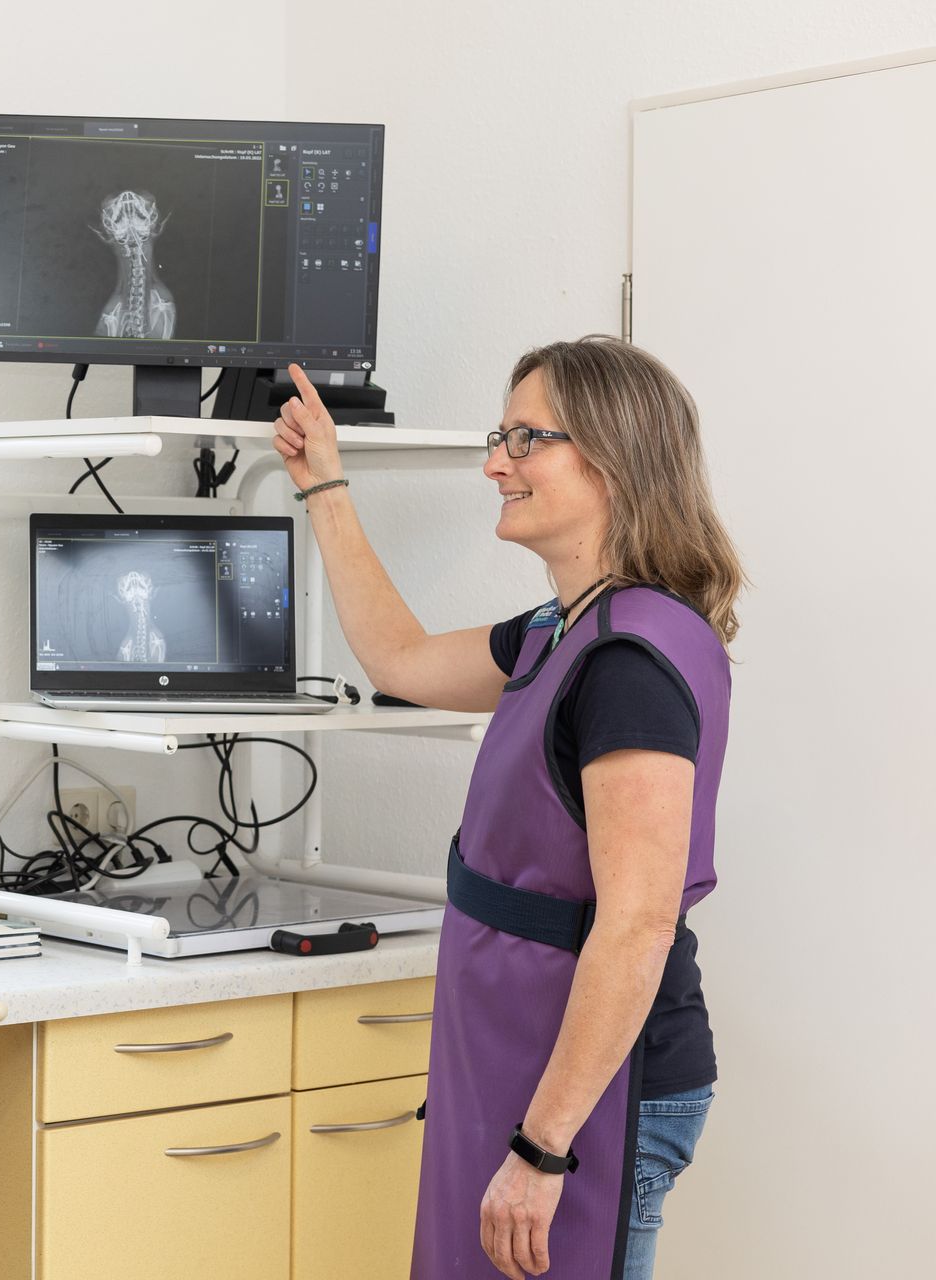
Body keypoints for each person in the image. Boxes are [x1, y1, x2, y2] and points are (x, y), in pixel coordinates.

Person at [273, 337, 742, 1280]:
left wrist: (542, 1150)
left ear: (612, 458)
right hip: (517, 1052)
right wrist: (325, 485)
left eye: (527, 439)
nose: (497, 464)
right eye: (501, 437)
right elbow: (400, 661)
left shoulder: (627, 664)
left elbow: (639, 925)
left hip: (593, 1092)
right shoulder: (559, 630)